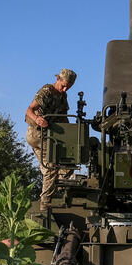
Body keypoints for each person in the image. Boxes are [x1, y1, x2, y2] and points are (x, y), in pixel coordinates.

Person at [25, 68, 76, 212]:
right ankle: (45, 202)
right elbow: (28, 110)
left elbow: (63, 119)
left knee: (67, 158)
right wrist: (37, 119)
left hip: (49, 135)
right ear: (58, 79)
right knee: (51, 165)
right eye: (63, 85)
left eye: (68, 87)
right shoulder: (46, 91)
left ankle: (57, 185)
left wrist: (73, 134)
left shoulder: (62, 96)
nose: (65, 89)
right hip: (37, 133)